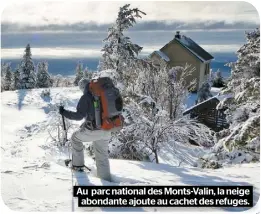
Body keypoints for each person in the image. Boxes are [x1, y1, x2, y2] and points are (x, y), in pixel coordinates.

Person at [59, 78, 112, 182]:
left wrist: (64, 112)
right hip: (107, 129)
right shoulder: (103, 94)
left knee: (75, 138)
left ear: (83, 87)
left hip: (95, 131)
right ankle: (107, 182)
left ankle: (78, 167)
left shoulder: (86, 97)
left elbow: (79, 116)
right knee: (102, 156)